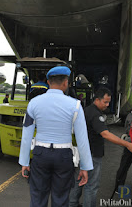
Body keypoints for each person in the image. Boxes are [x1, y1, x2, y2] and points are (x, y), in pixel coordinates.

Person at [19, 66, 93, 207]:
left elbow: (26, 134)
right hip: (64, 156)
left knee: (38, 198)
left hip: (40, 154)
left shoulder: (33, 103)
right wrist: (85, 166)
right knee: (61, 198)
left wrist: (24, 162)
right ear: (66, 83)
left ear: (48, 82)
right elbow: (82, 139)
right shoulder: (75, 105)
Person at [69, 87, 132, 207]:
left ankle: (72, 204)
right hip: (92, 155)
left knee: (78, 181)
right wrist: (128, 144)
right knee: (91, 185)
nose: (107, 105)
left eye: (109, 102)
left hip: (82, 152)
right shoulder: (95, 114)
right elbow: (105, 134)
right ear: (97, 99)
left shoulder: (86, 110)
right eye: (105, 102)